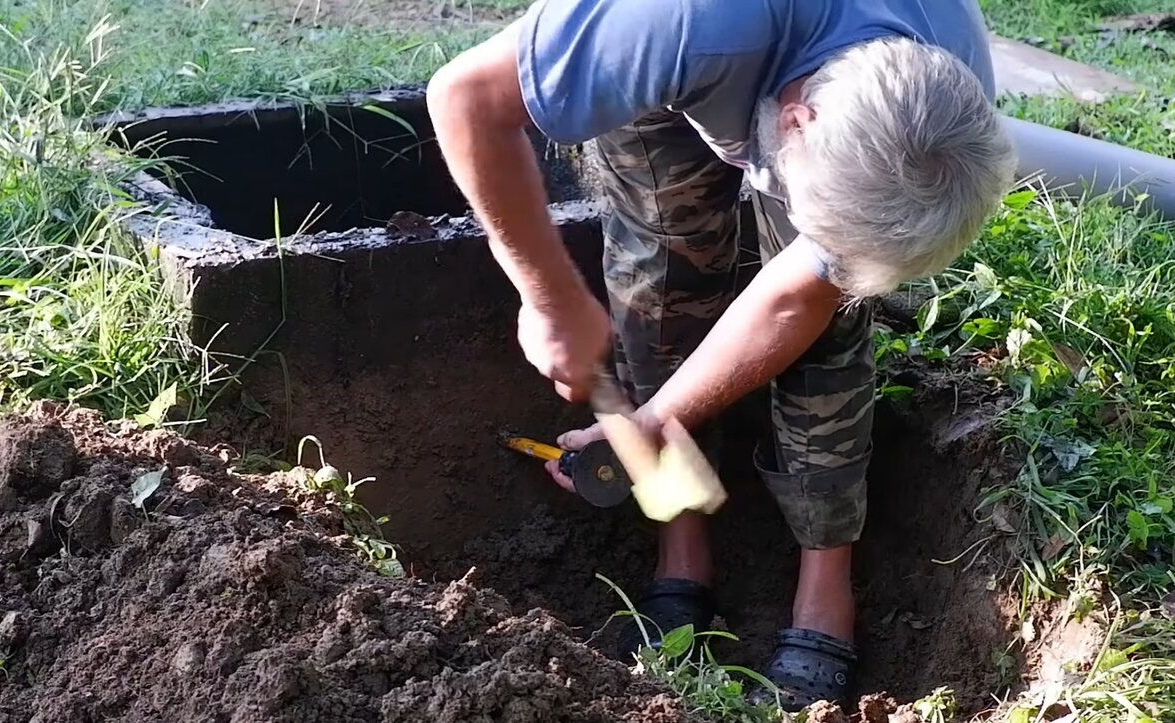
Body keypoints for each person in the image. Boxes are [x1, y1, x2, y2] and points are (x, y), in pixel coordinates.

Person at [426, 0, 1016, 710]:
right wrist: (548, 296)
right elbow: (464, 98)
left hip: (783, 72)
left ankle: (824, 582)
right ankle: (682, 538)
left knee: (827, 326)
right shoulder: (670, 24)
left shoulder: (950, 89)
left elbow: (799, 297)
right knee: (663, 270)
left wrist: (652, 421)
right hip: (700, 50)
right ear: (798, 121)